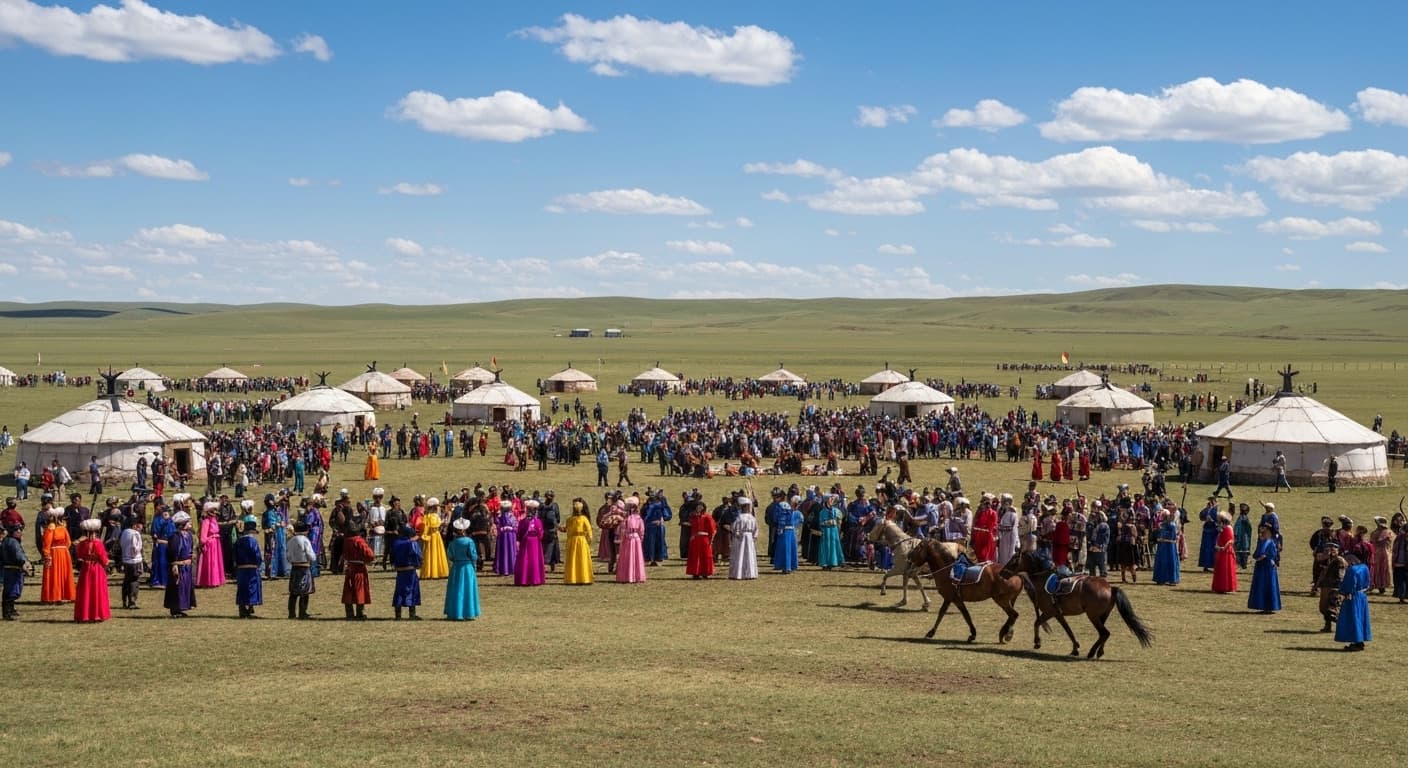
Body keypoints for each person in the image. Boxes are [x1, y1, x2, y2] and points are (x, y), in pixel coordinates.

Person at [72, 518, 110, 623]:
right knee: (97, 590)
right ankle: (97, 614)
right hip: (97, 567)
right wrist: (106, 563)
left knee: (86, 590)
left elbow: (79, 554)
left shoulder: (83, 543)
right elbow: (103, 558)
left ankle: (84, 614)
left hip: (86, 567)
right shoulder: (98, 543)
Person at [444, 517, 481, 620]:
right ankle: (469, 612)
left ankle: (455, 612)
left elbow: (450, 555)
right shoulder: (469, 541)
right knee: (468, 589)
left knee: (456, 590)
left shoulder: (452, 543)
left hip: (456, 567)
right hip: (467, 567)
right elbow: (473, 555)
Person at [1335, 551, 1371, 651]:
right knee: (1361, 618)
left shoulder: (1352, 570)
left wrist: (1343, 592)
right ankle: (1360, 641)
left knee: (1353, 619)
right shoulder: (1365, 567)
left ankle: (1356, 642)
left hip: (1352, 596)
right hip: (1362, 596)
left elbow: (1349, 584)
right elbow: (1368, 583)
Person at [163, 511, 197, 617]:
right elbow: (172, 551)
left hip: (186, 566)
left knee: (185, 587)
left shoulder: (189, 535)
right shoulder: (175, 536)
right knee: (177, 587)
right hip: (178, 565)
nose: (190, 524)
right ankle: (175, 609)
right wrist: (174, 564)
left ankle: (182, 607)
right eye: (188, 522)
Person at [40, 507, 75, 604]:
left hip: (55, 553)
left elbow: (47, 543)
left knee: (54, 574)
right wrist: (63, 549)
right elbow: (68, 542)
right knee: (63, 573)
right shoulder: (63, 528)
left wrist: (47, 554)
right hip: (63, 553)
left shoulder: (51, 528)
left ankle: (54, 595)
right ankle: (63, 595)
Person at [390, 525, 423, 619]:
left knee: (399, 591)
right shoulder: (411, 543)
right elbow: (418, 556)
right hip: (410, 570)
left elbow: (392, 556)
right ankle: (412, 614)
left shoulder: (396, 543)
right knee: (412, 590)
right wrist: (419, 564)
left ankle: (398, 615)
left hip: (400, 571)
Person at [2, 522, 33, 620]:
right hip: (13, 570)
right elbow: (18, 556)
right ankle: (7, 613)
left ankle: (11, 610)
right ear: (12, 532)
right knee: (11, 591)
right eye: (17, 530)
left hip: (9, 569)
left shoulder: (8, 540)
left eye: (20, 530)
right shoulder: (13, 542)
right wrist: (25, 565)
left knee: (10, 591)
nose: (20, 532)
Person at [1247, 523, 1282, 613]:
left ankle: (1269, 606)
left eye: (1265, 531)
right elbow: (1256, 553)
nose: (1262, 532)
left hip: (1268, 568)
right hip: (1261, 567)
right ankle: (1262, 605)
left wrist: (1261, 557)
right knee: (1261, 586)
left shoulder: (1270, 542)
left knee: (1268, 586)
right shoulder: (1262, 541)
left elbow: (1268, 554)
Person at [341, 525, 374, 620]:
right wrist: (365, 560)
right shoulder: (359, 541)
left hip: (350, 568)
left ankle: (349, 613)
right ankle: (360, 613)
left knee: (349, 590)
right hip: (359, 569)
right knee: (360, 590)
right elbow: (370, 554)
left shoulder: (346, 541)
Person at [233, 519, 263, 619]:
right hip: (251, 568)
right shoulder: (252, 541)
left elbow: (234, 555)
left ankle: (242, 609)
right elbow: (256, 554)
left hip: (241, 569)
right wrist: (258, 563)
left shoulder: (238, 541)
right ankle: (249, 608)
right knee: (252, 588)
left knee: (242, 589)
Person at [286, 520, 316, 620]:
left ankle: (291, 613)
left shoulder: (291, 540)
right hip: (304, 567)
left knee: (293, 592)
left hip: (294, 567)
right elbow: (311, 555)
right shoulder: (305, 540)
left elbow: (288, 556)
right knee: (305, 591)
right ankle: (302, 612)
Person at [513, 501, 546, 587]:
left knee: (527, 560)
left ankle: (526, 579)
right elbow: (540, 533)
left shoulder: (523, 521)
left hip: (529, 542)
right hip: (534, 542)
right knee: (531, 560)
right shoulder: (537, 521)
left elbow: (519, 534)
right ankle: (533, 579)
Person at [1317, 539, 1347, 631]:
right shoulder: (1328, 560)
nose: (1330, 550)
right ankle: (1327, 626)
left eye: (1333, 548)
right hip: (1325, 586)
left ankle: (1342, 628)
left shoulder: (1340, 561)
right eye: (1329, 548)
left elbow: (1341, 576)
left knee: (1333, 610)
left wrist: (1337, 589)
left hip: (1333, 588)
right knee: (1324, 608)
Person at [614, 498, 646, 584]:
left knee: (633, 556)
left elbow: (641, 530)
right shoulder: (627, 519)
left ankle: (635, 576)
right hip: (629, 538)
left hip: (633, 538)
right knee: (627, 557)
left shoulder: (638, 518)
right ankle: (627, 575)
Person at [563, 500, 594, 585]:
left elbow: (567, 529)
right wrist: (589, 539)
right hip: (581, 540)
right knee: (581, 558)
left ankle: (573, 578)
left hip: (574, 540)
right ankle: (584, 578)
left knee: (574, 559)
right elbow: (589, 530)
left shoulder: (571, 519)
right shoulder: (583, 519)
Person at [195, 502, 225, 588]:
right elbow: (203, 536)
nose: (215, 512)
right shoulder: (206, 521)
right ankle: (209, 580)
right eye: (213, 510)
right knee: (211, 562)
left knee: (215, 562)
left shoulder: (214, 520)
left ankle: (216, 580)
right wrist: (205, 543)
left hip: (216, 543)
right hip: (210, 544)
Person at [729, 497, 759, 580]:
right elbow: (756, 528)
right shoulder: (752, 517)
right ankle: (750, 573)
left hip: (741, 538)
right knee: (748, 554)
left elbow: (734, 528)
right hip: (749, 537)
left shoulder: (739, 518)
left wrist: (736, 533)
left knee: (740, 554)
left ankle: (739, 573)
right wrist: (755, 536)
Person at [686, 500, 717, 579]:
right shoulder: (693, 517)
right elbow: (692, 527)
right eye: (698, 506)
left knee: (705, 555)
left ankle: (705, 572)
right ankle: (695, 572)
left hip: (704, 539)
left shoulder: (707, 516)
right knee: (695, 556)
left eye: (701, 506)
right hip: (695, 539)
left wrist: (711, 539)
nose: (699, 508)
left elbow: (712, 528)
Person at [419, 498, 449, 580]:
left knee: (432, 553)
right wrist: (442, 522)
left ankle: (432, 571)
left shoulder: (427, 516)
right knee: (434, 553)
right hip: (434, 535)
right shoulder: (432, 516)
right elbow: (434, 525)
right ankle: (435, 572)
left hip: (434, 536)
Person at [119, 516, 144, 609]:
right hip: (134, 560)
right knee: (134, 581)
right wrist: (135, 553)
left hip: (125, 559)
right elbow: (135, 547)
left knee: (126, 580)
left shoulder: (124, 532)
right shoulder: (135, 534)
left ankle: (124, 600)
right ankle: (132, 601)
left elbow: (121, 544)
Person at [1211, 512, 1238, 594]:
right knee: (1220, 568)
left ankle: (1227, 586)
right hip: (1221, 551)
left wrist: (1223, 548)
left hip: (1226, 552)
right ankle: (1220, 586)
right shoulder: (1223, 528)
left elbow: (1230, 540)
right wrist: (1217, 545)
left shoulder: (1228, 528)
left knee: (1226, 568)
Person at [771, 499, 801, 574]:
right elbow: (800, 519)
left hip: (784, 532)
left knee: (784, 549)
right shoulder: (793, 513)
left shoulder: (782, 512)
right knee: (791, 549)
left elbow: (778, 520)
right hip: (791, 532)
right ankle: (791, 566)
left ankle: (785, 566)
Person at [642, 491, 672, 566]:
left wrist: (663, 518)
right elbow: (643, 516)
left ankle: (657, 559)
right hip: (649, 527)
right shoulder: (646, 506)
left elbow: (667, 515)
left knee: (659, 543)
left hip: (659, 526)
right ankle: (649, 559)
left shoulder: (661, 505)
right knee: (649, 543)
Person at [815, 495, 844, 570]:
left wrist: (838, 523)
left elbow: (840, 520)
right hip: (826, 531)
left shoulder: (836, 510)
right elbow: (820, 522)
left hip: (834, 531)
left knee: (834, 545)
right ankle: (825, 563)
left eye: (832, 499)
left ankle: (834, 562)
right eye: (830, 499)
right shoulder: (822, 512)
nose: (832, 500)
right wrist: (827, 522)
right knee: (826, 546)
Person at [1152, 511, 1180, 585]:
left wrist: (1164, 539)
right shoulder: (1162, 524)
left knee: (1169, 561)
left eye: (1164, 516)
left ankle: (1171, 579)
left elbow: (1173, 537)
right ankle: (1161, 578)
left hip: (1169, 547)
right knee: (1161, 561)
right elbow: (1159, 533)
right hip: (1162, 546)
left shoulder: (1171, 525)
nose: (1163, 517)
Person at [1369, 516, 1394, 594]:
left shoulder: (1374, 533)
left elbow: (1372, 542)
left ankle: (1377, 584)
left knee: (1377, 569)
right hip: (1386, 552)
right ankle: (1382, 585)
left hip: (1376, 552)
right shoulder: (1388, 532)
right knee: (1383, 569)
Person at [492, 500, 517, 577]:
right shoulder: (512, 516)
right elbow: (516, 526)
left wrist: (502, 528)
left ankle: (504, 569)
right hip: (509, 536)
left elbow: (497, 525)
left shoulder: (501, 517)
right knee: (508, 551)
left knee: (504, 551)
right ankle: (510, 568)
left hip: (505, 536)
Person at [1197, 497, 1219, 572]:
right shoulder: (1209, 509)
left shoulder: (1216, 510)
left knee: (1212, 549)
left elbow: (1219, 521)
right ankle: (1206, 565)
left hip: (1213, 532)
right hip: (1208, 532)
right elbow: (1201, 516)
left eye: (1212, 501)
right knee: (1207, 548)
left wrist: (1213, 521)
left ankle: (1212, 565)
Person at [1232, 504, 1254, 569]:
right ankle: (1243, 564)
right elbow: (1237, 527)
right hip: (1243, 537)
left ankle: (1242, 563)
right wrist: (1235, 535)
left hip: (1243, 537)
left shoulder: (1241, 518)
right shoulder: (1243, 518)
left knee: (1242, 550)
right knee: (1243, 551)